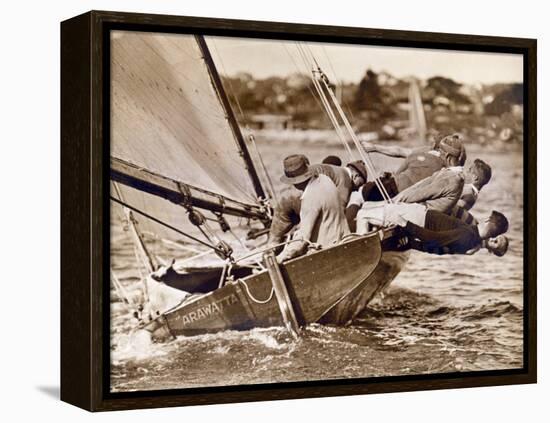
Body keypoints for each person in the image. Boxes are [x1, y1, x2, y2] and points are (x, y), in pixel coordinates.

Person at [268, 158, 367, 245]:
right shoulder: (346, 180)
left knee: (275, 236)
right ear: (356, 175)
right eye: (361, 183)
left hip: (286, 195)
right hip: (303, 197)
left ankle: (269, 251)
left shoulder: (332, 169)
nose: (358, 189)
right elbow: (338, 212)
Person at [358, 202, 509, 256]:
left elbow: (434, 240)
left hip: (416, 218)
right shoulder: (471, 234)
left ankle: (357, 253)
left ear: (487, 220)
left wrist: (406, 224)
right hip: (419, 215)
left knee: (363, 214)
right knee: (368, 209)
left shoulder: (468, 235)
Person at [275, 155, 350, 262]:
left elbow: (302, 240)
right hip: (342, 239)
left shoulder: (310, 198)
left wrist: (279, 258)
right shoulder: (325, 179)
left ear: (295, 182)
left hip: (327, 250)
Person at [359, 133, 467, 201]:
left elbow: (399, 152)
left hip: (396, 192)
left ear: (435, 146)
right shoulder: (450, 169)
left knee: (360, 194)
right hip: (409, 196)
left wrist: (374, 147)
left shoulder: (425, 153)